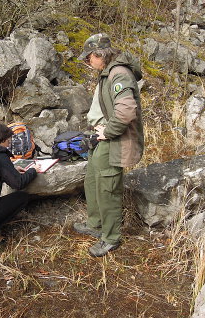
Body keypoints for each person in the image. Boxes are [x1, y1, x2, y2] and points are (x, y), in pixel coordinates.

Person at [73, 33, 144, 257]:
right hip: (101, 138)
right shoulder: (108, 72)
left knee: (107, 188)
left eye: (89, 58)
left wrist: (108, 132)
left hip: (113, 140)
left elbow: (126, 111)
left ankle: (111, 237)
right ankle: (95, 224)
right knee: (92, 181)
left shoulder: (119, 74)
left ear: (99, 54)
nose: (87, 63)